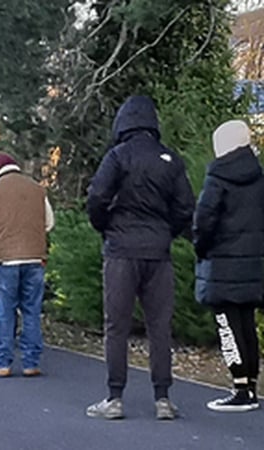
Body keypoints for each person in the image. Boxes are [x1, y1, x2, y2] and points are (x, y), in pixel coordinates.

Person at [85, 95, 194, 421]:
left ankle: (114, 397)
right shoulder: (170, 160)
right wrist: (166, 232)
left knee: (116, 326)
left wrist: (105, 226)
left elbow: (97, 196)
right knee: (159, 326)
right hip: (158, 251)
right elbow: (185, 207)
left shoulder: (118, 156)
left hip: (121, 249)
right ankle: (163, 398)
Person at [193, 120, 264, 412]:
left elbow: (204, 221)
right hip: (254, 266)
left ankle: (240, 388)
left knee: (227, 327)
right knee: (247, 325)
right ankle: (251, 386)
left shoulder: (218, 178)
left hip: (222, 266)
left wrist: (201, 249)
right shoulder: (259, 178)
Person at [0, 153, 55, 378]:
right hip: (34, 258)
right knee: (31, 311)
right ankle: (31, 363)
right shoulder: (37, 189)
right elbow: (49, 223)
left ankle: (2, 363)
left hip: (5, 259)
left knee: (5, 312)